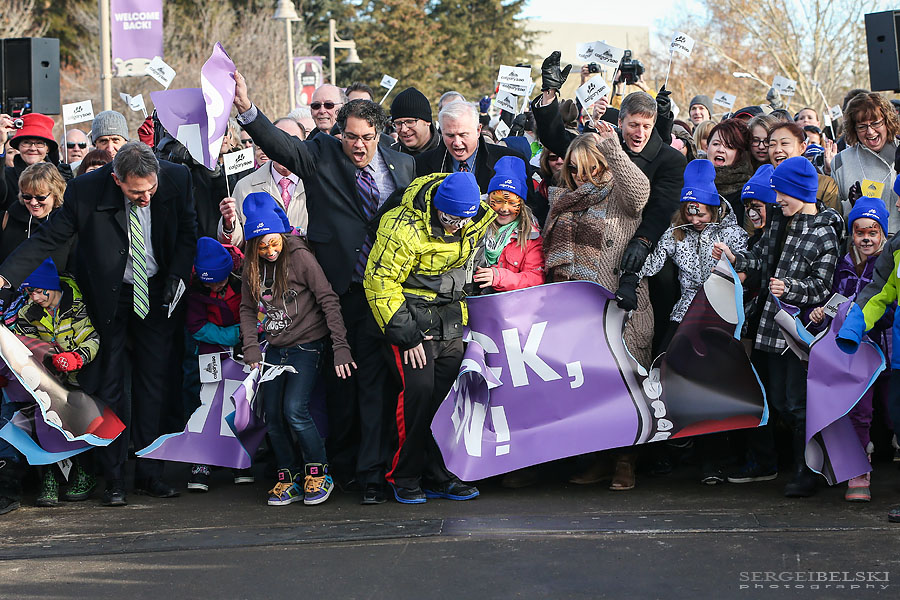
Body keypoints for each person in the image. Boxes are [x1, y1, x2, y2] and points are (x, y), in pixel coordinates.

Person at [233, 71, 416, 504]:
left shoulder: (403, 164)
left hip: (386, 293)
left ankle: (371, 474)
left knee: (376, 387)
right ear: (339, 133)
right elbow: (282, 146)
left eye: (367, 138)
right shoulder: (321, 154)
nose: (358, 146)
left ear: (380, 135)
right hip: (338, 291)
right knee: (340, 387)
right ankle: (340, 467)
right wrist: (246, 109)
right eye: (351, 137)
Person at [0, 141, 198, 507]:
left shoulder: (178, 178)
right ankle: (115, 477)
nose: (146, 198)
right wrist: (5, 275)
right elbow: (50, 237)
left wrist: (177, 275)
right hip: (109, 297)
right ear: (116, 180)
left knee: (154, 383)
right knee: (109, 385)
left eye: (151, 189)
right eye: (136, 193)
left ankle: (150, 473)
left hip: (158, 293)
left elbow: (188, 230)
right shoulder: (85, 190)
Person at [715, 156, 841, 497]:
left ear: (799, 192)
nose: (777, 199)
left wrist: (791, 288)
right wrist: (735, 258)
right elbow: (760, 260)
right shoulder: (779, 223)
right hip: (769, 329)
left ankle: (808, 470)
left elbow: (823, 287)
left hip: (797, 333)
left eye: (782, 193)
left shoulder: (824, 233)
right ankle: (786, 464)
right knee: (774, 400)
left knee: (796, 404)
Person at [364, 171, 493, 504]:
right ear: (437, 206)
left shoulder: (476, 220)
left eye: (462, 220)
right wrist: (407, 336)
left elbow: (472, 264)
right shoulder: (402, 226)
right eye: (449, 219)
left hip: (450, 320)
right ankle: (403, 474)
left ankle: (439, 473)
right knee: (417, 395)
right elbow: (379, 282)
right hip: (409, 321)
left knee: (446, 401)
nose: (455, 227)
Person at [542, 126, 651, 491]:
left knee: (626, 386)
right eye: (573, 168)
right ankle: (601, 458)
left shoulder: (619, 193)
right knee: (592, 389)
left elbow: (640, 193)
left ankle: (625, 461)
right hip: (578, 311)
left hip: (620, 306)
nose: (580, 175)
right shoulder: (563, 199)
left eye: (590, 166)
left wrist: (613, 148)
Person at [239, 193, 355, 506]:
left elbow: (328, 299)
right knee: (273, 415)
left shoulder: (300, 257)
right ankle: (287, 475)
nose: (270, 251)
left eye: (274, 242)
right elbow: (247, 309)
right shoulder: (252, 267)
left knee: (295, 409)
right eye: (261, 246)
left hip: (307, 345)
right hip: (275, 349)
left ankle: (318, 471)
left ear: (282, 235)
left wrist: (341, 347)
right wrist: (251, 348)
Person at [809, 197, 891, 502]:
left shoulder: (890, 263)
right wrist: (822, 314)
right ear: (851, 234)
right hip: (855, 353)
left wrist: (867, 317)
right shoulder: (843, 265)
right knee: (859, 410)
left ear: (883, 233)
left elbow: (889, 306)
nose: (866, 238)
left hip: (887, 348)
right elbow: (834, 301)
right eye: (860, 232)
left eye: (873, 231)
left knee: (893, 411)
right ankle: (858, 471)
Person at [8, 258, 100, 507]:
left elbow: (91, 338)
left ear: (52, 287)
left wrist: (76, 358)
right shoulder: (29, 313)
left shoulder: (77, 305)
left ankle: (84, 474)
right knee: (42, 421)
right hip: (47, 380)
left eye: (40, 291)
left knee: (78, 422)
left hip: (79, 379)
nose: (35, 298)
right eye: (31, 292)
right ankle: (49, 477)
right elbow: (24, 345)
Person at [183, 237, 244, 493]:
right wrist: (234, 334)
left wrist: (247, 334)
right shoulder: (195, 289)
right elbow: (196, 327)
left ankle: (238, 457)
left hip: (242, 354)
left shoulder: (243, 280)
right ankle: (201, 461)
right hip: (208, 353)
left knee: (239, 403)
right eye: (210, 283)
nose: (216, 287)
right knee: (206, 405)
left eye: (220, 281)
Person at [218, 118, 308, 249]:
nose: (285, 148)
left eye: (292, 141)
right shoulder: (245, 186)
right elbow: (235, 244)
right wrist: (229, 225)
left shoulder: (318, 184)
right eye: (278, 141)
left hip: (306, 260)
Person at [473, 155, 545, 294]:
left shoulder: (530, 236)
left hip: (505, 303)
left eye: (512, 203)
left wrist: (499, 278)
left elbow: (536, 278)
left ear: (521, 205)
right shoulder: (472, 224)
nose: (504, 209)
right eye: (498, 201)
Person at [830, 92, 900, 233]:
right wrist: (853, 206)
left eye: (876, 123)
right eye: (862, 126)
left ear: (887, 122)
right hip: (861, 243)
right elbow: (835, 215)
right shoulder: (841, 161)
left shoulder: (899, 151)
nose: (870, 131)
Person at [0, 163, 76, 271]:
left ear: (55, 193)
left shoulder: (68, 223)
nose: (33, 202)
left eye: (40, 197)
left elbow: (75, 270)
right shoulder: (7, 219)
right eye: (27, 196)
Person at [2, 113, 72, 212]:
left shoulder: (61, 175)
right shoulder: (6, 176)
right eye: (26, 143)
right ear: (18, 147)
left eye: (39, 143)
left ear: (48, 149)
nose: (32, 148)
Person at [768, 121, 839, 210]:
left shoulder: (825, 185)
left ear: (802, 147)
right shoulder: (763, 182)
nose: (777, 150)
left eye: (784, 143)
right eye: (772, 145)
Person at [706, 119, 754, 224]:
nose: (720, 150)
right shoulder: (690, 180)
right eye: (716, 144)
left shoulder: (746, 191)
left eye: (729, 147)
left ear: (739, 154)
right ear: (707, 147)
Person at [390, 87, 440, 156]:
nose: (404, 129)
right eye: (398, 123)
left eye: (410, 122)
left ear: (428, 122)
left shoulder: (449, 152)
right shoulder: (389, 156)